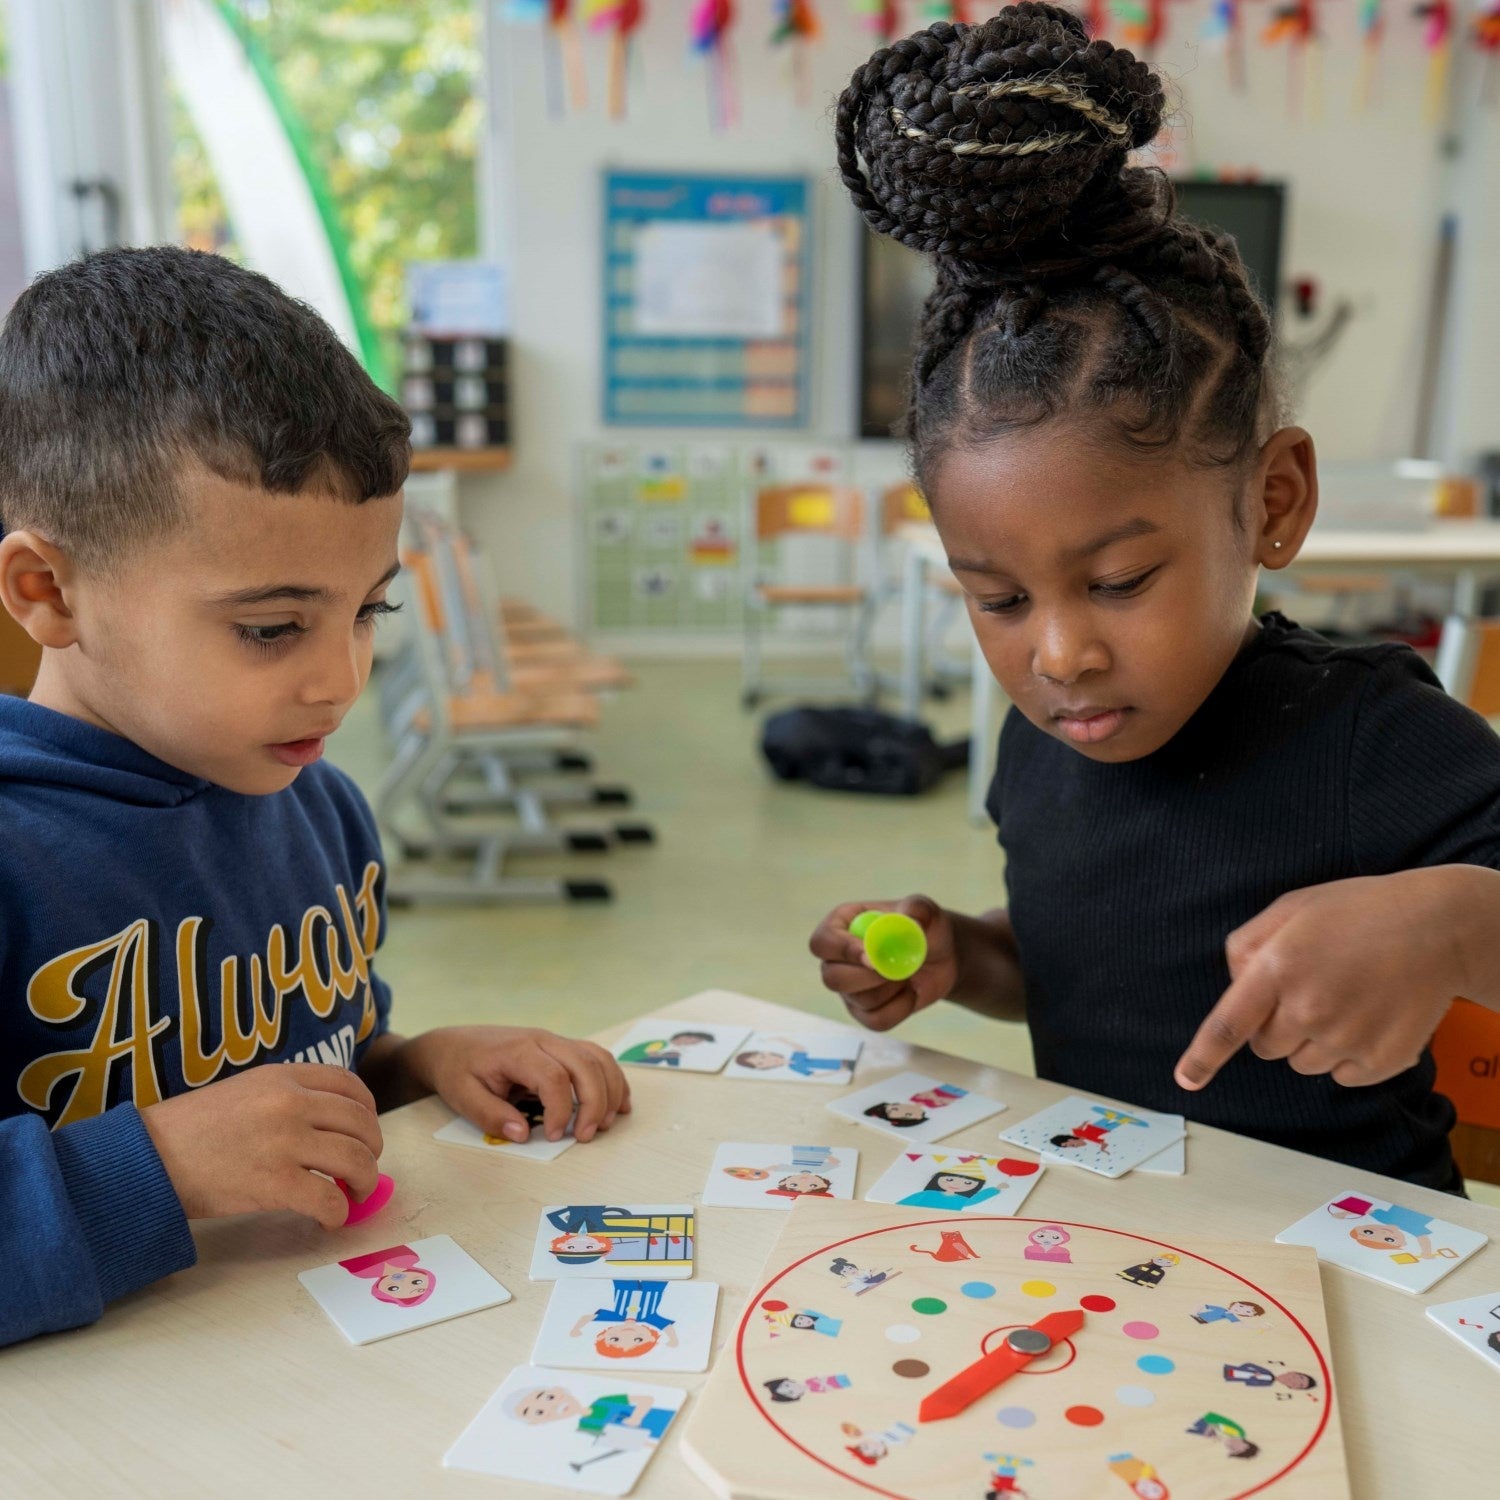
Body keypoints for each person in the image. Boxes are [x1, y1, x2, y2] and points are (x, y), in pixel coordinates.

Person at [809, 2, 1500, 1191]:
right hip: (1135, 1262)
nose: (1062, 654)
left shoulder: (1367, 736)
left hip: (1350, 1264)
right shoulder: (1044, 745)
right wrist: (958, 955)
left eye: (1120, 581)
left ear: (1274, 499)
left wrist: (1448, 926)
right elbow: (1089, 964)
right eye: (999, 600)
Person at [0, 247, 631, 1349]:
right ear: (49, 592)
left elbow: (311, 1073)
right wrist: (154, 1168)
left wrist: (419, 1064)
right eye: (270, 627)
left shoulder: (319, 804)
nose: (341, 680)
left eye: (369, 613)